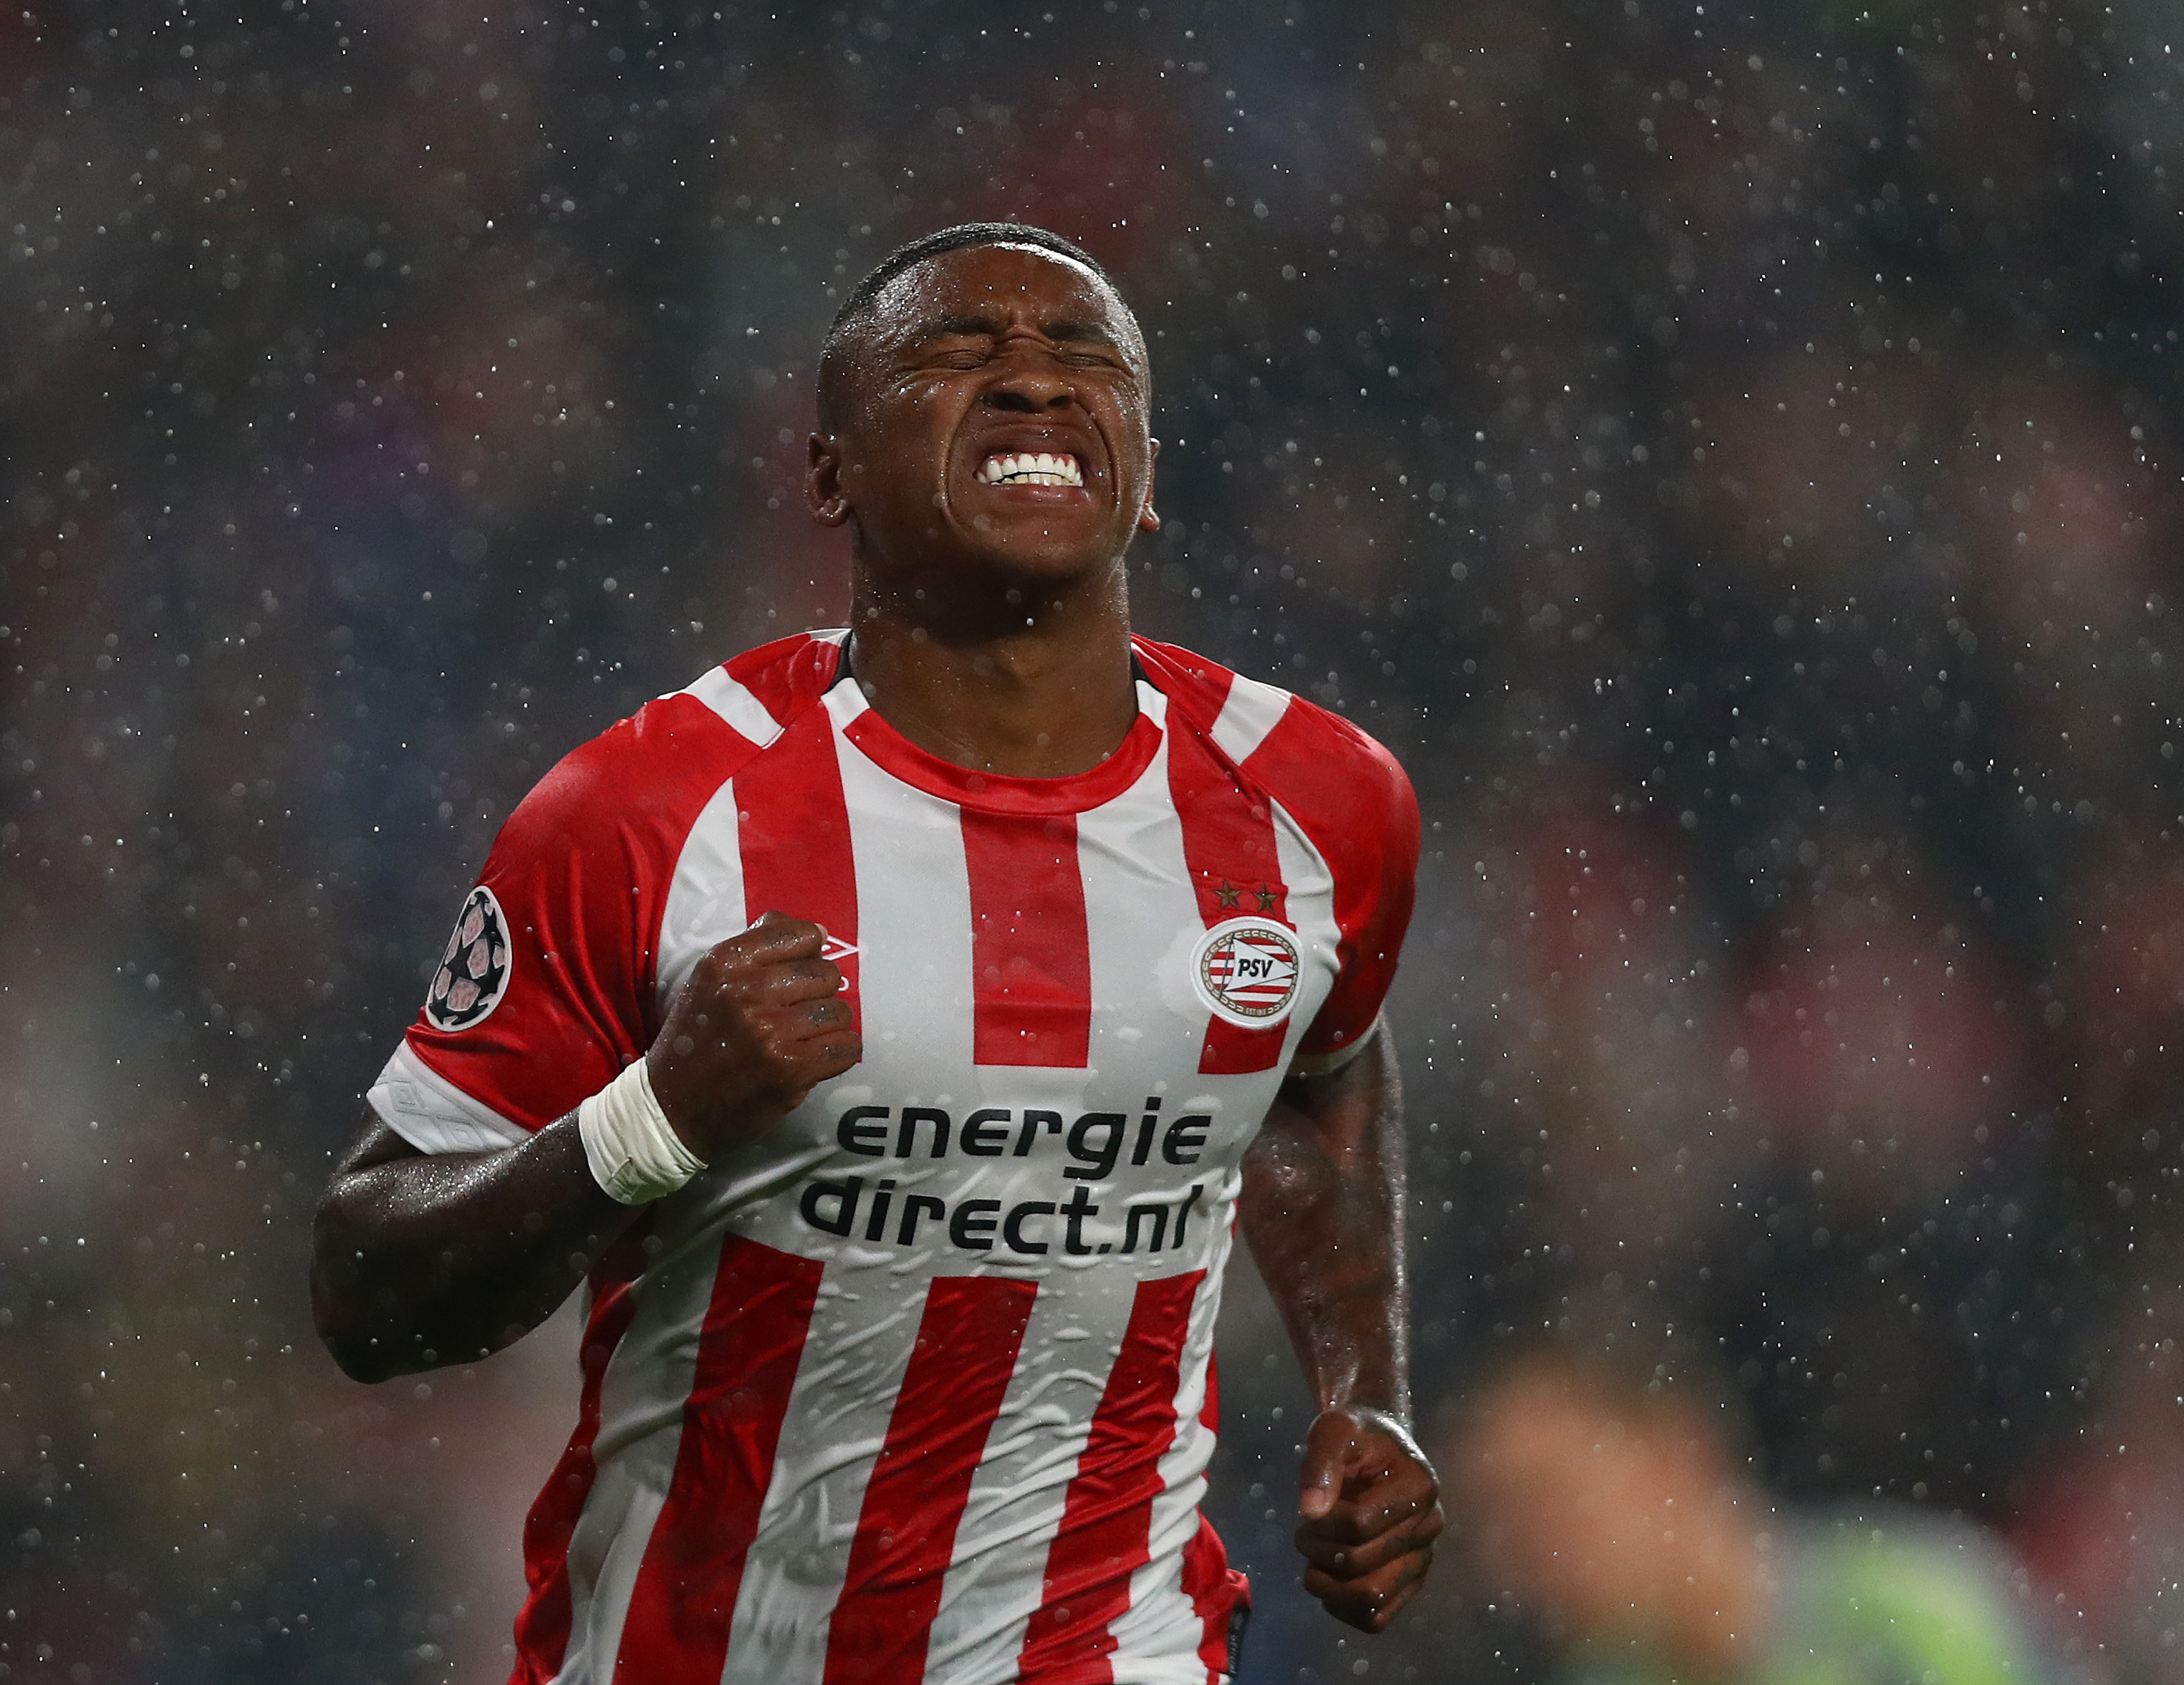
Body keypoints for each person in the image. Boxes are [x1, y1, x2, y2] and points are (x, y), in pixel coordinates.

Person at [309, 221, 1441, 1685]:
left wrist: (1370, 1393)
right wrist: (655, 1119)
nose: (1034, 381)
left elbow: (1315, 1074)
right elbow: (368, 1291)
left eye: (1083, 357)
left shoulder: (1324, 804)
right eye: (959, 350)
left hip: (1111, 1645)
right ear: (831, 473)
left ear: (1143, 476)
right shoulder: (647, 816)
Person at [1451, 1336, 2046, 1685]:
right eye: (1492, 1524)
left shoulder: (1911, 1607)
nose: (1512, 1563)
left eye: (1540, 1499)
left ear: (1676, 1454)